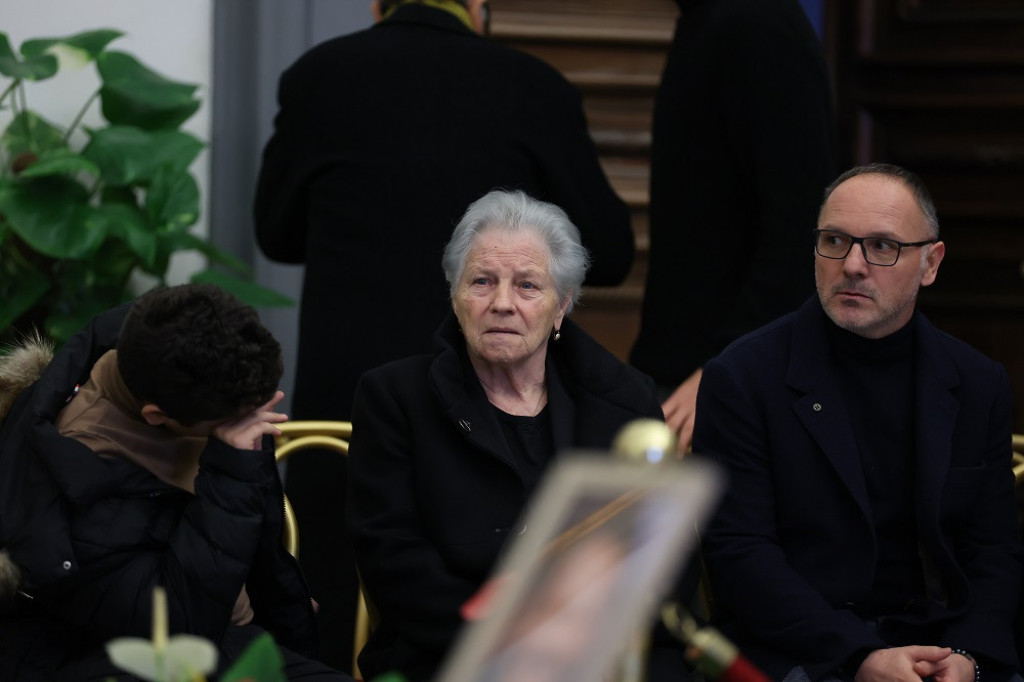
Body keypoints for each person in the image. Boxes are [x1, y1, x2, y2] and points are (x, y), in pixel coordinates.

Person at [253, 0, 635, 662]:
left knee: (338, 598)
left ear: (379, 4)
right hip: (490, 395)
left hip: (345, 390)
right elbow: (610, 248)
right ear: (478, 7)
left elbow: (276, 232)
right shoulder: (532, 84)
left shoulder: (318, 74)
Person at [694, 164, 1022, 681]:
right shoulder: (743, 377)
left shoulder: (977, 382)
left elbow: (994, 550)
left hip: (942, 646)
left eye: (882, 246)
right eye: (834, 241)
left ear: (931, 263)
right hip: (805, 649)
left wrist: (968, 656)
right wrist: (860, 656)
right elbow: (740, 555)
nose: (852, 265)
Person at [345, 189, 663, 681]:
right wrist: (509, 638)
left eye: (527, 286)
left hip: (594, 655)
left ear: (562, 305)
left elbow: (657, 554)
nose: (502, 304)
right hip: (451, 652)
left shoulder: (624, 402)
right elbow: (393, 560)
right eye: (482, 281)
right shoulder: (394, 397)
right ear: (455, 296)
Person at [0, 284, 349, 681]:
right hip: (123, 659)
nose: (254, 421)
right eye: (232, 420)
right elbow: (178, 624)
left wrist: (284, 614)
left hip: (227, 633)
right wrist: (231, 469)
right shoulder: (69, 489)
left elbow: (259, 557)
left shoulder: (179, 357)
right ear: (156, 416)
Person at [630, 0, 837, 451]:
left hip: (725, 388)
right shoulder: (711, 19)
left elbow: (804, 229)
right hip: (694, 376)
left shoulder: (758, 21)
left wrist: (724, 367)